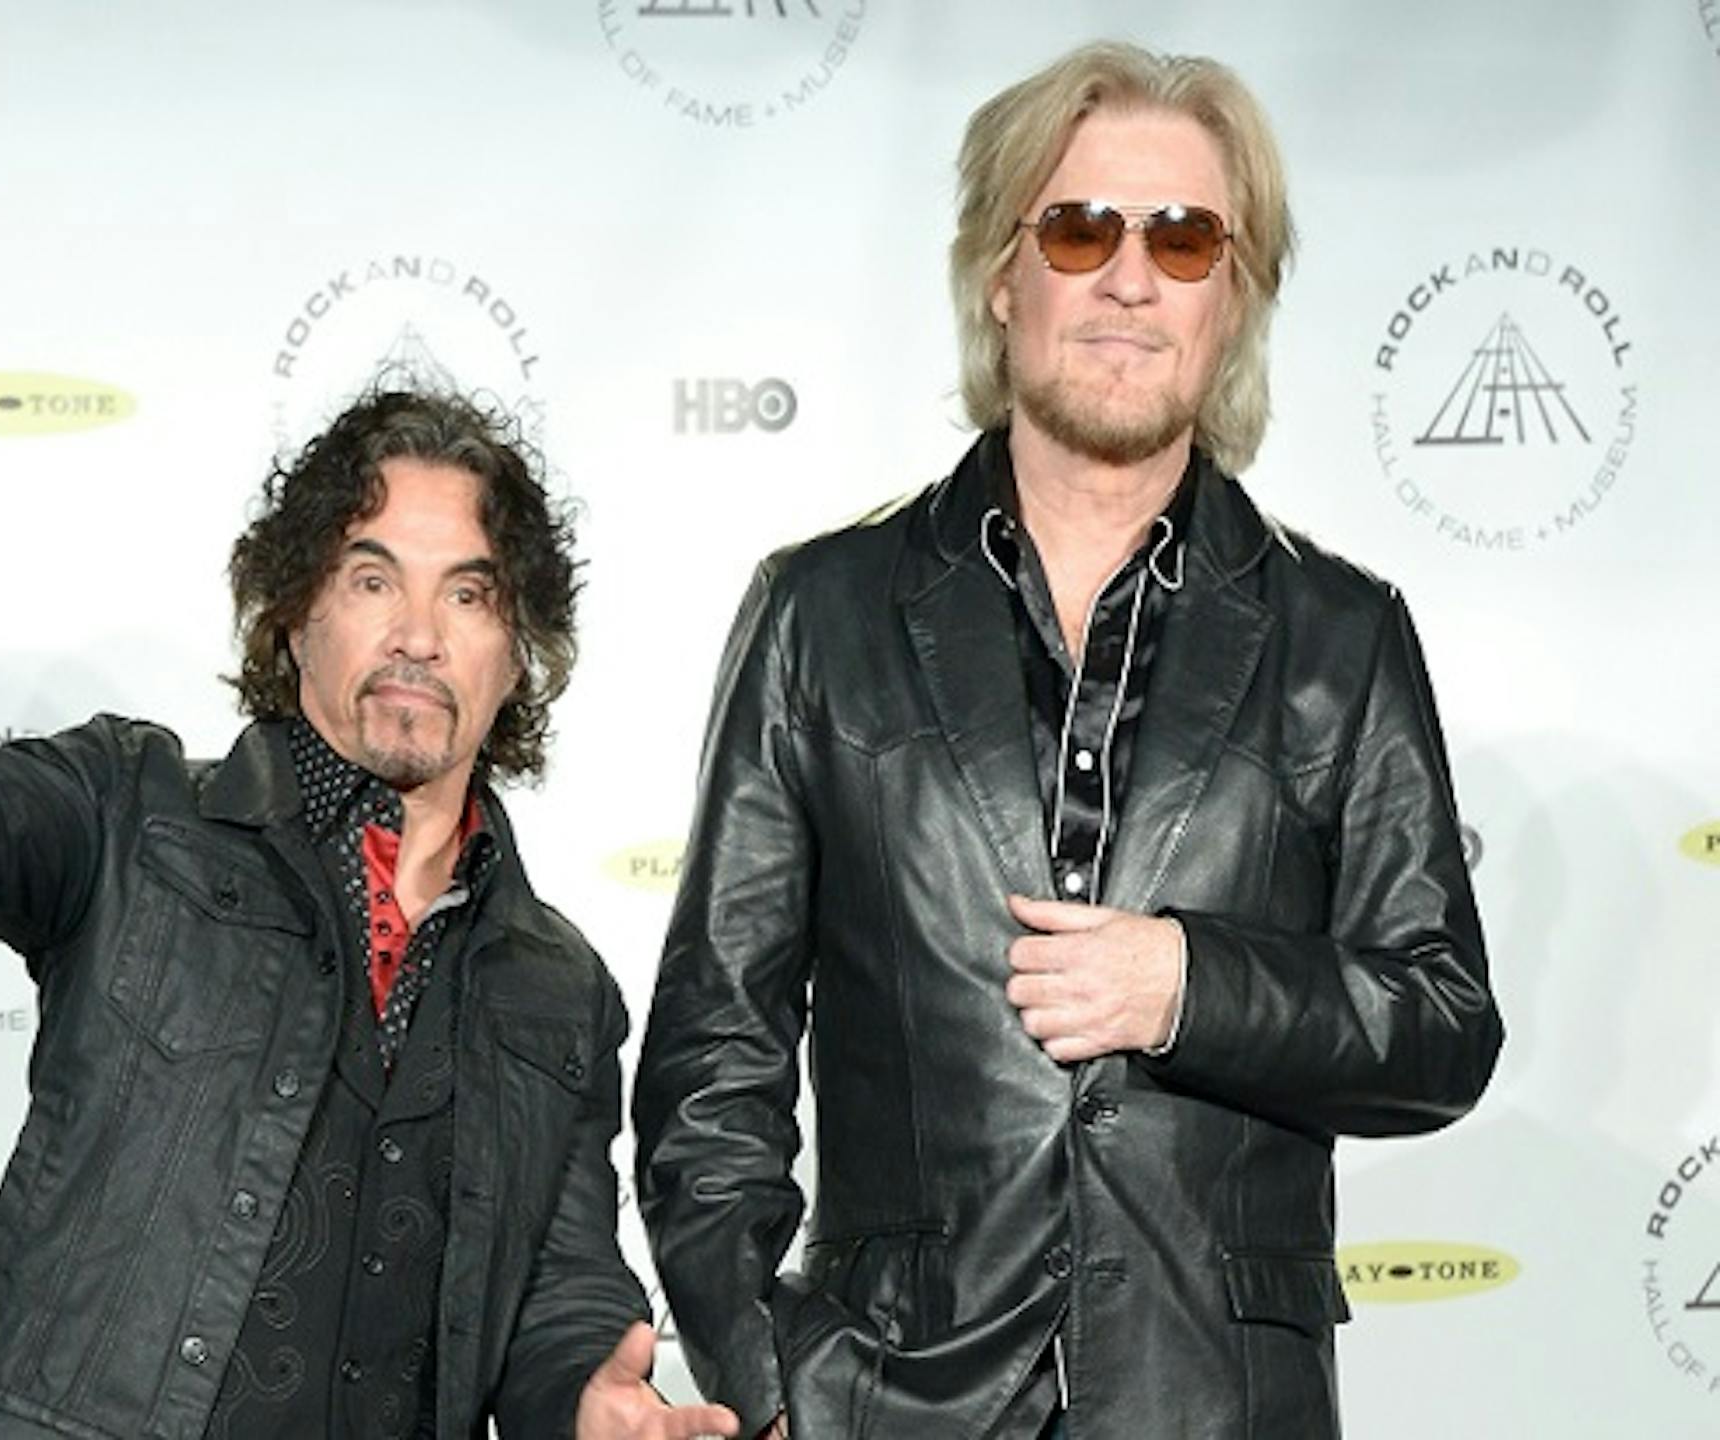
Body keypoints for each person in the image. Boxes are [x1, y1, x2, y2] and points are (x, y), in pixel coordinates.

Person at [631, 40, 1503, 1440]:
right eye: (1082, 225)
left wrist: (1189, 985)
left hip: (1218, 1402)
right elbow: (712, 1058)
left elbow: (1444, 1022)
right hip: (887, 1399)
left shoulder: (1342, 636)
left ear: (1236, 298)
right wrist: (763, 1375)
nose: (1129, 278)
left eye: (1186, 236)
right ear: (1000, 269)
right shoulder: (823, 613)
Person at [0, 389, 740, 1440]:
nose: (418, 634)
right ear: (295, 612)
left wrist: (592, 1401)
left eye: (469, 595)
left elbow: (557, 1291)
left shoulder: (560, 989)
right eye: (373, 580)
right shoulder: (136, 815)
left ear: (519, 651)